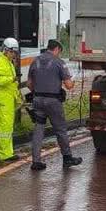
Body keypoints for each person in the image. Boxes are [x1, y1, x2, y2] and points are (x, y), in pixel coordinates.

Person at [26, 38, 82, 171]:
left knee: (38, 130)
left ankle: (36, 162)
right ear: (56, 49)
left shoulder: (35, 61)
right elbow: (68, 85)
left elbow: (29, 84)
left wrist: (38, 91)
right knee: (60, 129)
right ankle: (67, 158)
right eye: (59, 52)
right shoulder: (59, 63)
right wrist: (73, 82)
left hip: (37, 100)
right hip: (53, 102)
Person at [0, 36, 22, 162]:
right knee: (5, 127)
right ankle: (6, 154)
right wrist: (10, 79)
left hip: (6, 98)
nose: (13, 54)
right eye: (12, 52)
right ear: (5, 50)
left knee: (1, 126)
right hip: (2, 99)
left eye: (14, 52)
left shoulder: (7, 62)